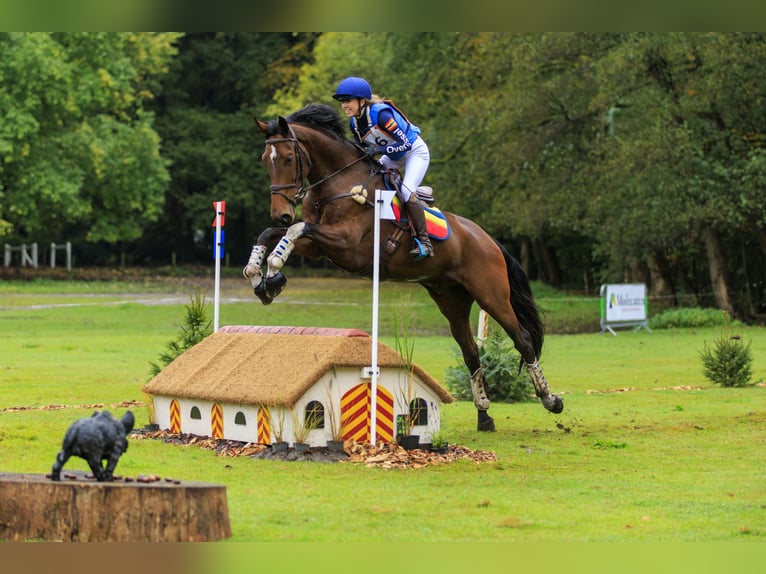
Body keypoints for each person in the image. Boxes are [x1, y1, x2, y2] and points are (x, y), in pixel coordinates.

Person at [332, 76, 433, 259]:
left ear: (362, 101)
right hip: (394, 156)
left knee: (406, 190)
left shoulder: (381, 115)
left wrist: (378, 150)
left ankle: (425, 241)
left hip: (415, 152)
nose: (344, 105)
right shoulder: (354, 124)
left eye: (348, 101)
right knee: (368, 179)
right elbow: (363, 152)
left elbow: (405, 144)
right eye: (342, 102)